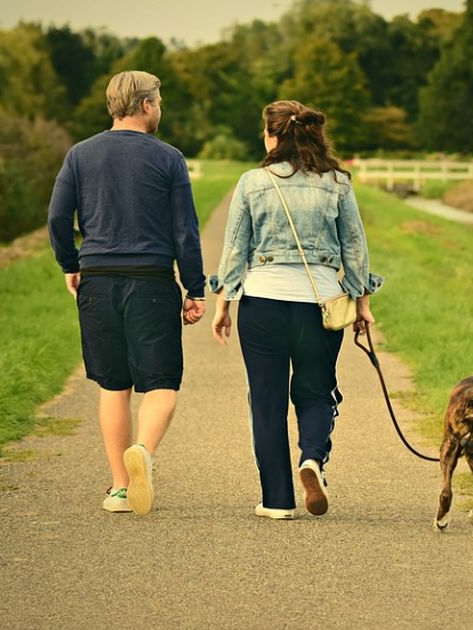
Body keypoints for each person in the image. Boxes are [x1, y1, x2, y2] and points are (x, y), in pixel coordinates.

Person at [210, 100, 383, 520]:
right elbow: (354, 247)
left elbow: (236, 248)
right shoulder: (337, 183)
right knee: (316, 390)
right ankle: (312, 458)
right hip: (319, 305)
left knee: (266, 401)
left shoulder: (252, 182)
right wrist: (361, 302)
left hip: (262, 304)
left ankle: (277, 501)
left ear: (273, 136)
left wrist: (224, 302)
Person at [47, 70, 206, 516]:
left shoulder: (80, 155)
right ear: (145, 106)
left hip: (97, 279)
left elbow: (58, 219)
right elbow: (184, 231)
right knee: (160, 384)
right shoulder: (169, 158)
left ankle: (120, 487)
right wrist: (195, 288)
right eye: (158, 101)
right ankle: (144, 450)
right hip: (151, 282)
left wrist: (70, 264)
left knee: (114, 386)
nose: (159, 108)